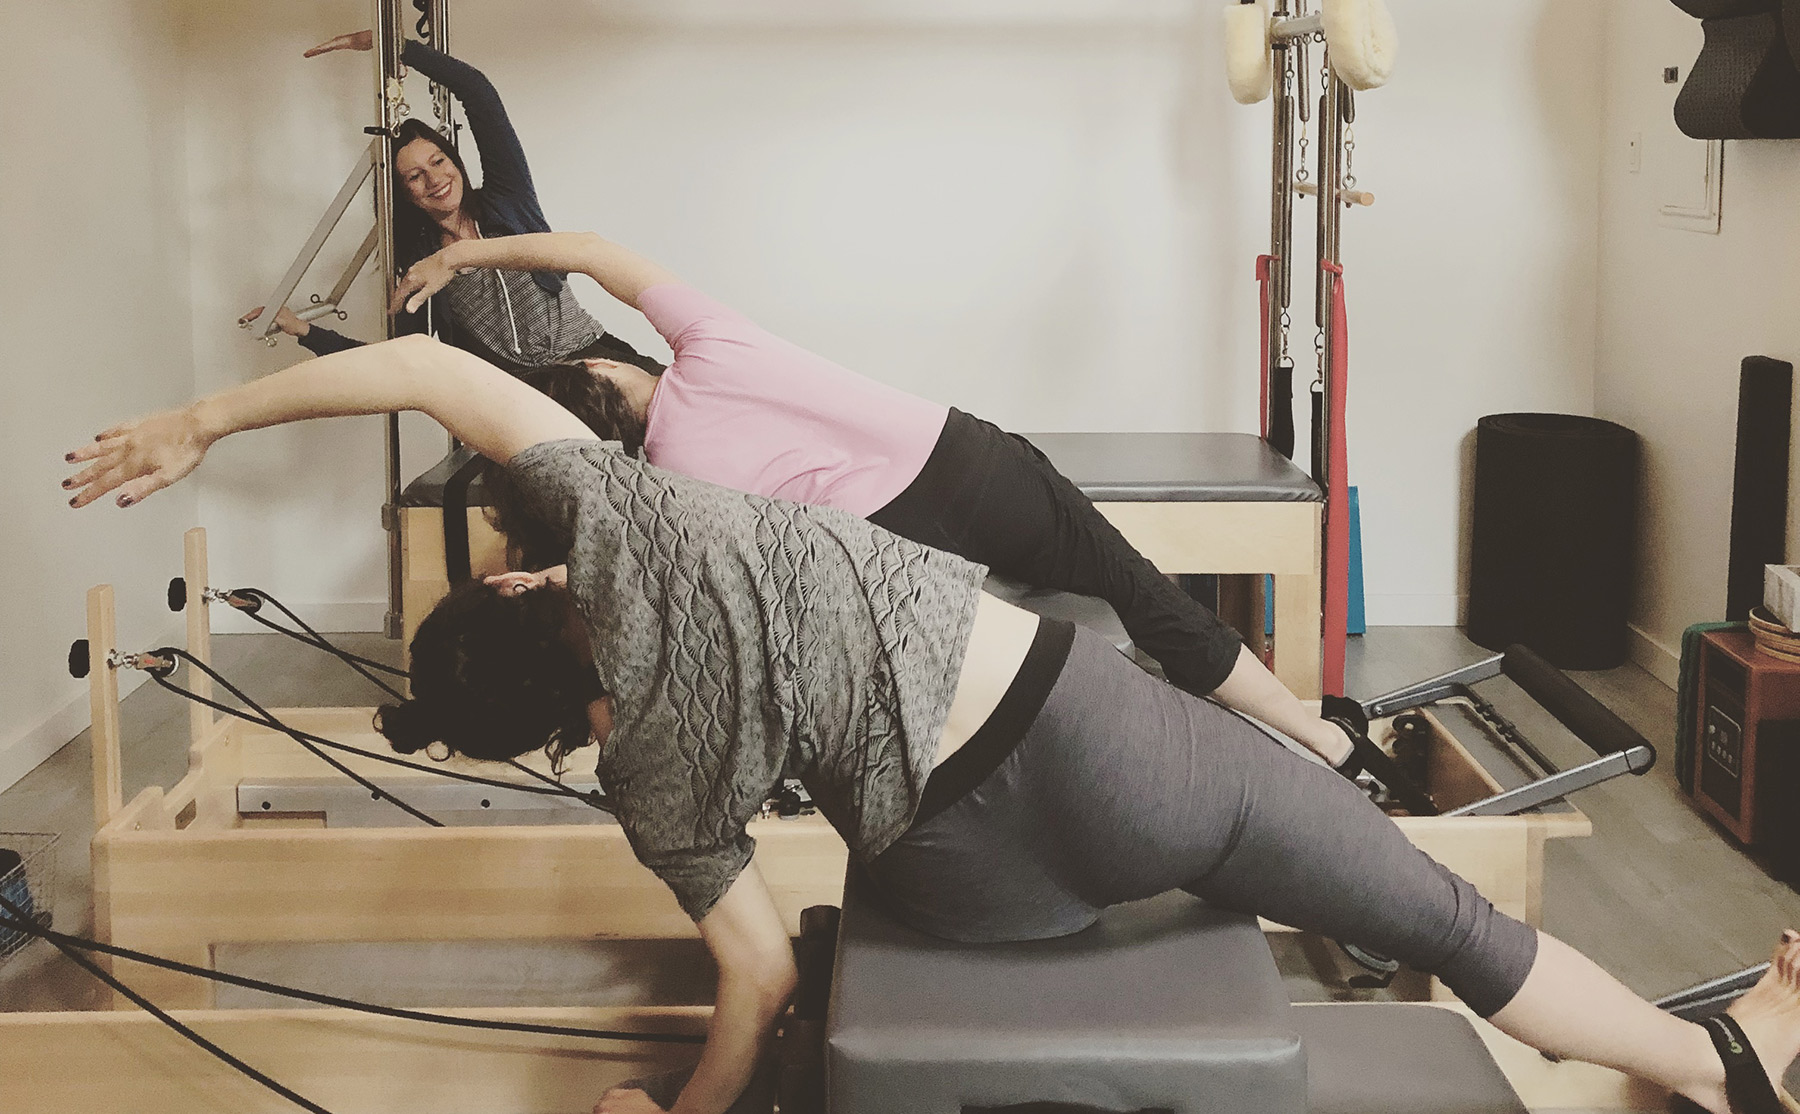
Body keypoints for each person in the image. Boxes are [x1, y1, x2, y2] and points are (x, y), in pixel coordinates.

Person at [65, 337, 1799, 1114]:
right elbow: (429, 372)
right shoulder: (612, 502)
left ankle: (1716, 1059)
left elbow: (751, 978)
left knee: (1065, 694)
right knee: (1439, 911)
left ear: (539, 730)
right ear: (516, 591)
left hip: (979, 885)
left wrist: (675, 1110)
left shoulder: (649, 781)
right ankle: (1707, 1059)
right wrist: (202, 416)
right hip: (1104, 754)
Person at [390, 231, 1355, 770]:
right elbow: (599, 251)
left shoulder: (665, 488)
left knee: (1034, 677)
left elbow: (629, 579)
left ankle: (1175, 767)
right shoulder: (713, 344)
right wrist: (468, 257)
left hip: (893, 550)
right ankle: (1312, 735)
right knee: (1140, 594)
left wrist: (533, 579)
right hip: (975, 466)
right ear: (603, 364)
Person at [239, 32, 660, 375]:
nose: (436, 179)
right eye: (415, 176)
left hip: (596, 359)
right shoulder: (419, 264)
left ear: (454, 161)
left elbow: (479, 94)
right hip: (521, 399)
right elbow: (399, 364)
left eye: (438, 161)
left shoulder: (508, 201)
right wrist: (302, 330)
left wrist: (392, 45)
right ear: (403, 194)